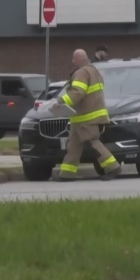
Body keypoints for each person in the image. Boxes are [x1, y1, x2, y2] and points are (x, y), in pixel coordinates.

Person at [52, 49, 121, 182]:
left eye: (73, 59)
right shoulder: (94, 71)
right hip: (84, 117)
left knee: (93, 142)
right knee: (73, 146)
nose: (72, 62)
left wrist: (61, 101)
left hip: (86, 117)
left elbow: (77, 93)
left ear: (78, 59)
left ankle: (113, 167)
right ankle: (67, 174)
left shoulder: (81, 72)